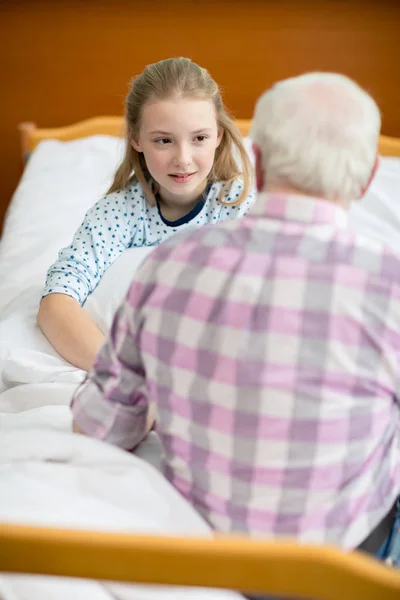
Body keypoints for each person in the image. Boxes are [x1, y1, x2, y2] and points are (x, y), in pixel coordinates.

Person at [70, 71, 400, 585]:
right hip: (345, 570)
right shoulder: (389, 283)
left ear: (258, 161)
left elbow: (100, 427)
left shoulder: (166, 264)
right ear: (369, 174)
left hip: (209, 556)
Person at [37, 57, 255, 371]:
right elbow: (55, 302)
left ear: (218, 136)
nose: (183, 159)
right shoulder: (118, 213)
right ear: (136, 138)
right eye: (163, 140)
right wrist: (127, 377)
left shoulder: (239, 205)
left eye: (199, 138)